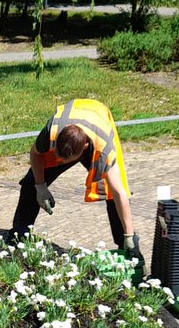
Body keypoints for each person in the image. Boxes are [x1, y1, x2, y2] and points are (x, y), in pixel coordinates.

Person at [10, 96, 143, 260]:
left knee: (110, 192)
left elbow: (119, 192)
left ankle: (126, 245)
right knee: (30, 182)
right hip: (72, 128)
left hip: (98, 122)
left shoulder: (105, 148)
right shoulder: (52, 130)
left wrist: (129, 235)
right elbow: (35, 154)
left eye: (65, 160)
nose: (61, 163)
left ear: (84, 148)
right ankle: (19, 234)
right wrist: (40, 186)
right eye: (59, 157)